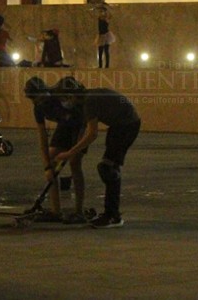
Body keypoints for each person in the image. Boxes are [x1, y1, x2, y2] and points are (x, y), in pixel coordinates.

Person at [55, 85, 141, 229]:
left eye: (66, 98)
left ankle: (113, 215)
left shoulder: (89, 102)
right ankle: (111, 213)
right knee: (110, 167)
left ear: (72, 96)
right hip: (118, 125)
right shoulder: (89, 97)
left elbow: (92, 134)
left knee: (107, 168)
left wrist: (71, 152)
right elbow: (85, 128)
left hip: (127, 125)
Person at [24, 77, 88, 224]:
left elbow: (83, 116)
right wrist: (47, 166)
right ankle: (56, 211)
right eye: (33, 99)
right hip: (64, 126)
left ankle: (79, 211)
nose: (36, 101)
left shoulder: (59, 96)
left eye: (38, 97)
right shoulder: (38, 107)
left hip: (80, 125)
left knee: (74, 163)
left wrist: (75, 149)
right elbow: (42, 137)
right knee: (52, 161)